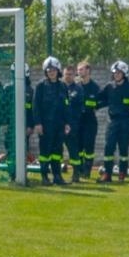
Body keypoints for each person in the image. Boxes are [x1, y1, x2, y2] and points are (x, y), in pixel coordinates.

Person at [97, 60, 129, 184]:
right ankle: (107, 174)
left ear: (125, 74)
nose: (116, 75)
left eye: (119, 73)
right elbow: (101, 98)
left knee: (123, 149)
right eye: (114, 73)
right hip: (112, 121)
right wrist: (93, 105)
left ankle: (122, 173)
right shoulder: (109, 87)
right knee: (109, 147)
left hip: (126, 121)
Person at [30, 56, 71, 185]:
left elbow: (66, 105)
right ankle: (44, 177)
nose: (51, 72)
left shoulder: (63, 86)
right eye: (48, 70)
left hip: (59, 124)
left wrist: (67, 123)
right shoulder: (41, 86)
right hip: (45, 125)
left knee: (57, 152)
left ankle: (57, 176)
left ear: (58, 71)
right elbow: (35, 106)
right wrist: (38, 123)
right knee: (45, 152)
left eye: (53, 70)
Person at [69, 60, 102, 183]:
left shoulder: (95, 87)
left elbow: (101, 101)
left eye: (81, 69)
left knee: (89, 147)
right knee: (78, 146)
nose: (79, 72)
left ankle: (87, 170)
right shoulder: (76, 86)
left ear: (88, 70)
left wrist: (95, 106)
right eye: (78, 70)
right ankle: (79, 169)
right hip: (78, 120)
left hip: (90, 121)